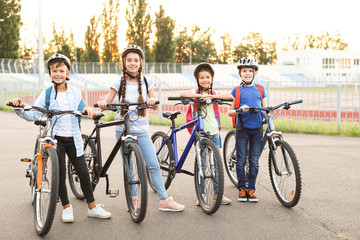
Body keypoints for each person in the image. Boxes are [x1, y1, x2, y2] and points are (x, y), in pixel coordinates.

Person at [8, 53, 111, 222]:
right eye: (54, 71)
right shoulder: (47, 95)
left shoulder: (75, 92)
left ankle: (92, 207)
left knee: (84, 173)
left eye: (61, 71)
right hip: (56, 139)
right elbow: (33, 113)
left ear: (67, 73)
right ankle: (66, 207)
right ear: (50, 74)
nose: (58, 74)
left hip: (74, 139)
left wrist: (88, 111)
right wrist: (19, 107)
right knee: (60, 174)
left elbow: (82, 108)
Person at [97, 44, 185, 212]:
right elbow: (108, 100)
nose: (132, 63)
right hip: (123, 129)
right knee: (129, 165)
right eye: (129, 60)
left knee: (153, 164)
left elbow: (152, 98)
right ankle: (134, 197)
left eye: (136, 60)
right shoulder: (118, 81)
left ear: (141, 63)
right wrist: (103, 102)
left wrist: (152, 100)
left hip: (141, 130)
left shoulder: (147, 81)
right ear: (123, 63)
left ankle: (164, 199)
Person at [180, 62, 234, 205]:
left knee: (216, 165)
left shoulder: (214, 93)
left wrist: (214, 97)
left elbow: (230, 97)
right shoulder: (194, 92)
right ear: (197, 79)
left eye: (207, 77)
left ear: (212, 78)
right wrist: (198, 96)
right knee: (202, 165)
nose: (205, 80)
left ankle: (218, 194)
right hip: (200, 133)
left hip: (214, 132)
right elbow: (183, 94)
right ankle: (201, 194)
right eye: (202, 77)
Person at [228, 57, 267, 203]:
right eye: (244, 71)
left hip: (257, 129)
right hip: (242, 129)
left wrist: (267, 113)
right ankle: (242, 188)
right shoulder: (236, 90)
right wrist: (239, 110)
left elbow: (265, 108)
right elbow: (230, 112)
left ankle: (251, 188)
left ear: (255, 73)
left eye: (250, 71)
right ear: (240, 73)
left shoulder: (260, 89)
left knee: (254, 160)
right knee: (241, 160)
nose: (247, 73)